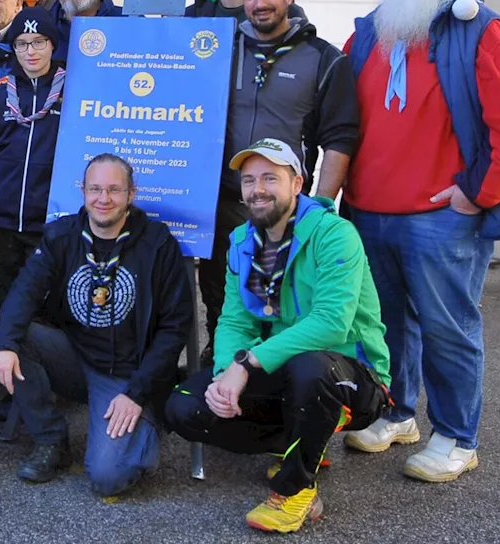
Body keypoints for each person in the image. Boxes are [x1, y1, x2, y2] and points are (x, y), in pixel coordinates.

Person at [340, 0, 500, 482]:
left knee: (447, 329)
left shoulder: (481, 31)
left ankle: (457, 435)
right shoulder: (368, 34)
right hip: (368, 213)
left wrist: (480, 193)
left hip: (442, 217)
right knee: (382, 327)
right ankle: (397, 413)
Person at [165, 139, 391, 533]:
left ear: (297, 183)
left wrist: (247, 364)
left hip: (354, 377)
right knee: (185, 406)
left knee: (310, 367)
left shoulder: (335, 234)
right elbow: (235, 321)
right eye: (249, 180)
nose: (258, 189)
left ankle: (296, 489)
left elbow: (331, 323)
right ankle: (300, 440)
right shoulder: (241, 242)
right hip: (288, 371)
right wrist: (224, 377)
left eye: (271, 177)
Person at [0, 155, 193, 493]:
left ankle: (145, 424)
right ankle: (50, 440)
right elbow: (24, 291)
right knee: (16, 336)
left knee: (108, 478)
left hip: (127, 375)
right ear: (82, 191)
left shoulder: (157, 243)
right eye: (95, 189)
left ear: (131, 194)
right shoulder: (62, 235)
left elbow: (176, 328)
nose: (104, 198)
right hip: (74, 357)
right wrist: (2, 345)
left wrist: (138, 392)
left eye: (114, 189)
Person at [196, 0, 357, 360]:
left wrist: (320, 206)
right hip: (228, 202)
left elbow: (340, 137)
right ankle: (226, 369)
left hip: (287, 206)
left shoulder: (324, 58)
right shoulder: (221, 50)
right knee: (224, 300)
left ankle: (282, 377)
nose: (259, 2)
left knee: (286, 302)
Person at [0, 7, 66, 313]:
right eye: (22, 44)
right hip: (5, 224)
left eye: (38, 42)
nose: (30, 51)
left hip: (50, 224)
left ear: (52, 43)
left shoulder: (73, 89)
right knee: (8, 305)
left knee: (46, 309)